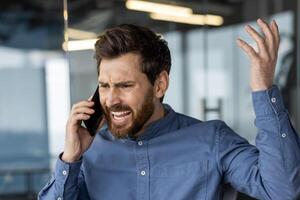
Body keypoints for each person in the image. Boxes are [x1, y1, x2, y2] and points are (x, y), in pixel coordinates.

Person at [38, 19, 300, 200]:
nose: (111, 99)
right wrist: (70, 159)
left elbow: (282, 190)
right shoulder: (89, 152)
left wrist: (263, 89)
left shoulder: (211, 139)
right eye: (104, 86)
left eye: (125, 85)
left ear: (160, 84)